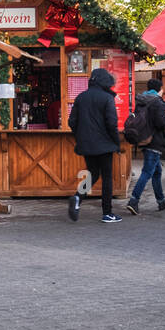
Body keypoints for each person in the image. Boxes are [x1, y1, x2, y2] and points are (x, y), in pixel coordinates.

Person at [68, 67, 123, 223]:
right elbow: (112, 123)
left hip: (86, 144)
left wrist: (80, 136)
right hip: (105, 144)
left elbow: (72, 121)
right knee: (107, 178)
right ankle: (107, 213)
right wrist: (116, 143)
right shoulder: (107, 98)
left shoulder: (80, 97)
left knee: (93, 173)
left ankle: (78, 197)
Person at [127, 77, 165, 215]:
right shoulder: (158, 103)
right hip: (155, 141)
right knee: (147, 172)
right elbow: (161, 123)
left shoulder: (142, 100)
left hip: (143, 138)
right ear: (160, 89)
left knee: (156, 171)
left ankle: (161, 201)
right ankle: (133, 201)